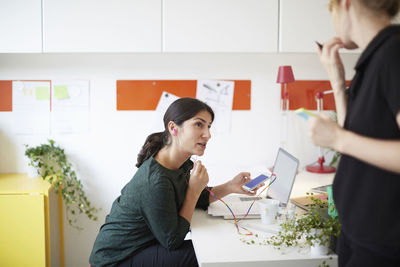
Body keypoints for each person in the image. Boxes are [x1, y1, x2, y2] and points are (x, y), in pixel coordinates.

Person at [89, 97, 262, 267]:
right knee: (207, 253)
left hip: (143, 246)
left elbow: (194, 197)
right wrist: (193, 191)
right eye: (199, 124)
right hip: (117, 259)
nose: (208, 134)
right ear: (173, 128)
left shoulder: (181, 163)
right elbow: (172, 241)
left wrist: (230, 186)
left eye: (209, 126)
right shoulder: (156, 180)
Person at [309, 0, 400, 266]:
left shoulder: (393, 54)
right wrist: (337, 83)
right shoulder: (373, 59)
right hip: (358, 235)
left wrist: (337, 137)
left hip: (383, 246)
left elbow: (345, 140)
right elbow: (355, 144)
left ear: (345, 4)